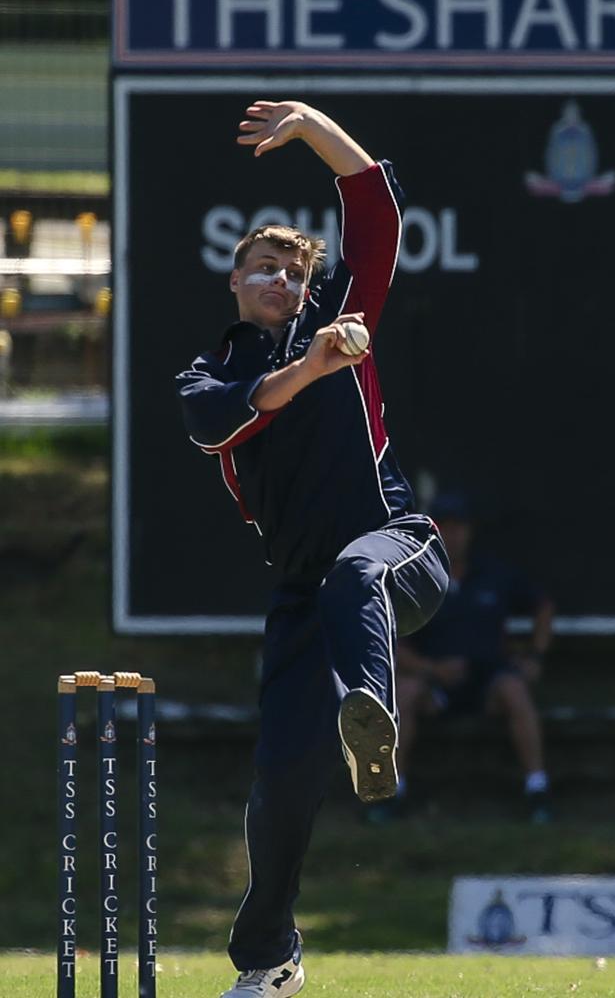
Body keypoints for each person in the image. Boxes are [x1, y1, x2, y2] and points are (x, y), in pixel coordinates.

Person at [175, 100, 449, 998]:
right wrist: (312, 368)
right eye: (265, 271)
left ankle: (373, 713)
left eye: (295, 276)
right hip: (300, 595)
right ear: (235, 279)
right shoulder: (210, 375)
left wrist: (314, 123)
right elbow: (230, 417)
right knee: (281, 783)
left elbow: (375, 205)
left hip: (399, 548)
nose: (282, 286)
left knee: (356, 570)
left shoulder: (343, 317)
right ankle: (268, 960)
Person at [394, 492, 554, 824]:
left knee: (515, 690)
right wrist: (433, 669)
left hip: (488, 683)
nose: (452, 535)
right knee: (403, 692)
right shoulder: (414, 580)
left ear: (469, 531)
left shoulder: (496, 575)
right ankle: (392, 792)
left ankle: (537, 789)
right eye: (444, 527)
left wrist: (535, 656)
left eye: (459, 527)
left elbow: (543, 606)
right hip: (434, 687)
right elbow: (391, 643)